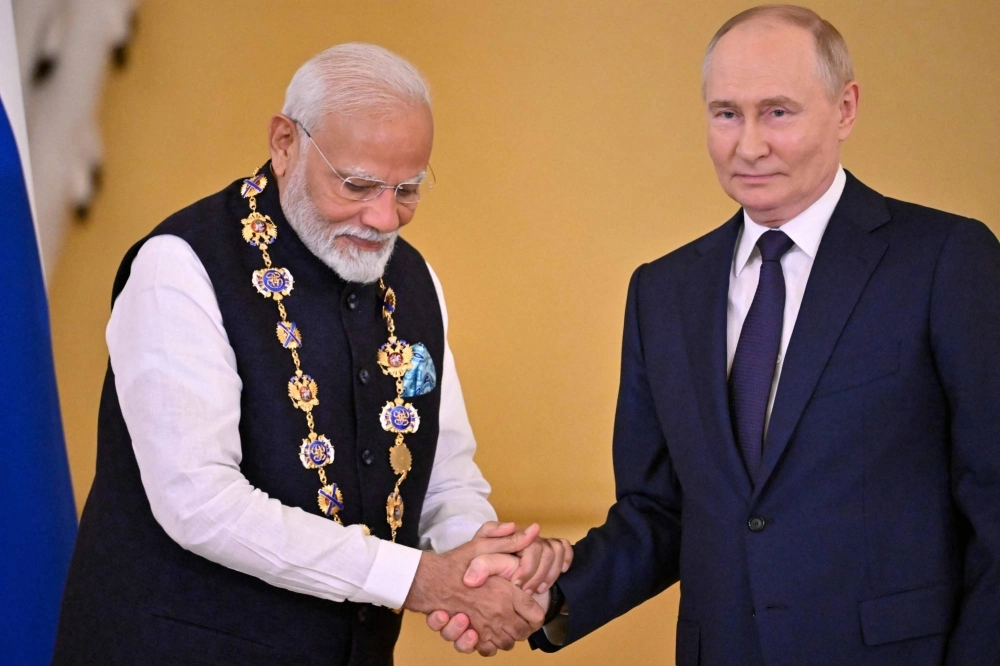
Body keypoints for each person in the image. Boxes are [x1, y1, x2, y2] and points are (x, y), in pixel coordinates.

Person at [437, 5, 1000, 664]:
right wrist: (552, 593)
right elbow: (661, 510)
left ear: (845, 108)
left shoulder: (946, 259)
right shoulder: (663, 290)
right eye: (726, 113)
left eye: (778, 112)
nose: (749, 145)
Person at [52, 43, 571, 665]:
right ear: (284, 143)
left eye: (407, 190)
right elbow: (201, 503)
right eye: (356, 184)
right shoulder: (180, 265)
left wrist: (484, 565)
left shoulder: (415, 280)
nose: (383, 217)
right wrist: (421, 579)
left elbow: (443, 475)